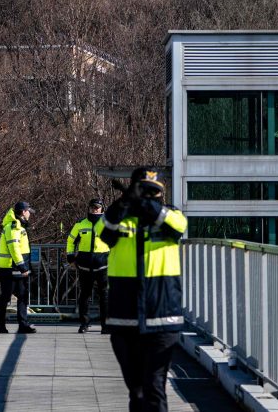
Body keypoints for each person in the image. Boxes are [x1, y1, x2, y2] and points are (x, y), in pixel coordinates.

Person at [100, 167, 187, 412]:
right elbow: (103, 232)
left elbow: (178, 227)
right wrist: (124, 201)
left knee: (154, 385)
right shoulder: (120, 216)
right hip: (124, 317)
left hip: (162, 317)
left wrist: (147, 205)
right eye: (143, 191)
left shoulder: (172, 214)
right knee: (136, 390)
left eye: (154, 192)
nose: (149, 196)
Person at [66, 198, 110, 333]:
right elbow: (71, 240)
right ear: (89, 208)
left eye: (97, 207)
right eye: (92, 207)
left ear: (102, 208)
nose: (95, 209)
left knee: (104, 295)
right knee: (84, 295)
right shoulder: (80, 224)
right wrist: (70, 257)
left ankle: (105, 326)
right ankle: (84, 324)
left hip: (103, 265)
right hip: (85, 265)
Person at [0, 200, 36, 334]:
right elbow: (14, 248)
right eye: (29, 211)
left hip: (15, 267)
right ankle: (1, 326)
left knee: (23, 295)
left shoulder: (18, 225)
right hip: (10, 268)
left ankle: (23, 325)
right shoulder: (13, 226)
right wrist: (22, 267)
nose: (30, 214)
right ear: (24, 212)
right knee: (6, 297)